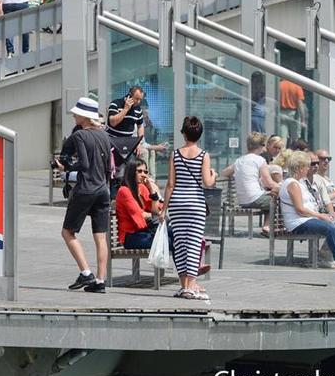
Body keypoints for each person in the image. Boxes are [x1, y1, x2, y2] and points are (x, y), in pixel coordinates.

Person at [278, 152, 335, 271]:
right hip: (298, 222)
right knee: (331, 228)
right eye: (307, 166)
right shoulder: (292, 184)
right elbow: (300, 209)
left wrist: (321, 215)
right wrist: (320, 216)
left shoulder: (300, 183)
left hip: (306, 219)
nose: (308, 168)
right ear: (299, 168)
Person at [60, 97, 113, 294]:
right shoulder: (104, 136)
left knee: (68, 232)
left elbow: (83, 164)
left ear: (84, 116)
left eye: (76, 113)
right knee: (101, 237)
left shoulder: (80, 136)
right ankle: (100, 281)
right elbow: (108, 166)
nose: (74, 115)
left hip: (85, 189)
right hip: (103, 190)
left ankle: (85, 272)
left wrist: (65, 166)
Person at [163, 116, 216, 300]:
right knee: (194, 245)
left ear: (183, 133)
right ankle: (190, 287)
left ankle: (183, 285)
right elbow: (208, 183)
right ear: (199, 135)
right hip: (195, 204)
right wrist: (213, 175)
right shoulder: (203, 155)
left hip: (177, 204)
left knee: (180, 245)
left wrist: (164, 209)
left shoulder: (175, 154)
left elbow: (170, 184)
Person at [220, 133, 275, 229]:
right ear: (260, 146)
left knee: (269, 198)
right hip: (254, 199)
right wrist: (281, 187)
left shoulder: (239, 160)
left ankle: (267, 225)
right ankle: (267, 226)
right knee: (277, 198)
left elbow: (224, 173)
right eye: (264, 145)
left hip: (242, 200)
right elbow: (269, 183)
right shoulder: (260, 160)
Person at [115, 157, 162, 248]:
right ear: (131, 172)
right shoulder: (124, 191)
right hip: (131, 237)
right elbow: (140, 214)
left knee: (175, 236)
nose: (143, 175)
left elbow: (155, 210)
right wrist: (157, 214)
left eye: (145, 172)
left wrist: (153, 191)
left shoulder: (142, 188)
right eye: (139, 171)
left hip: (145, 232)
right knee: (169, 240)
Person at [107, 86, 145, 155]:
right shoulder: (116, 103)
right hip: (113, 141)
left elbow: (140, 126)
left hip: (128, 142)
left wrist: (138, 142)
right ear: (129, 95)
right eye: (136, 99)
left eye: (140, 99)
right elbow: (113, 122)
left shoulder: (138, 109)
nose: (138, 102)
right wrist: (125, 109)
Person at [278, 78, 306, 144]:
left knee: (283, 137)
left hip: (281, 113)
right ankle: (295, 153)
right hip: (293, 114)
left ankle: (283, 152)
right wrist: (303, 120)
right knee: (295, 138)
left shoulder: (279, 85)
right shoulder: (297, 86)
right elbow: (300, 103)